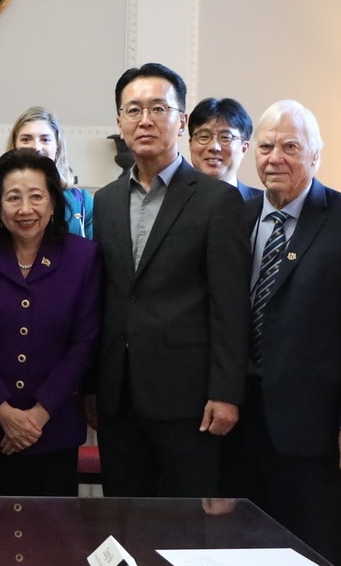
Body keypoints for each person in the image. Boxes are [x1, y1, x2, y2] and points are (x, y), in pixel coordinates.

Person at [232, 100, 341, 566]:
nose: (274, 157)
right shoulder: (238, 217)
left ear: (315, 155)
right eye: (265, 147)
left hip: (318, 435)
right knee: (243, 556)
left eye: (290, 146)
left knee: (311, 561)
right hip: (244, 427)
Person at [92, 64, 251, 497]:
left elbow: (229, 305)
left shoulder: (218, 200)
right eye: (134, 110)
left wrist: (225, 391)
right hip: (119, 397)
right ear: (120, 121)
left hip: (189, 400)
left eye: (158, 108)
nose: (145, 120)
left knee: (183, 529)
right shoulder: (104, 201)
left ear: (181, 121)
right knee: (122, 518)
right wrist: (94, 388)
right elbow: (105, 297)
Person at [0, 148, 101, 495]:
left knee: (50, 539)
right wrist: (4, 413)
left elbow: (84, 342)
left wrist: (38, 415)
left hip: (54, 429)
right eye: (13, 198)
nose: (25, 209)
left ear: (53, 203)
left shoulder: (83, 256)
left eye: (36, 197)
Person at [7, 106, 93, 238]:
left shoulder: (83, 201)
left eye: (45, 139)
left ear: (57, 147)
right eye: (26, 139)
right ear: (14, 146)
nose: (36, 147)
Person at [187, 96, 261, 200]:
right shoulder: (171, 200)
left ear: (244, 148)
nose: (214, 147)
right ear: (190, 144)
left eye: (225, 137)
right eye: (204, 136)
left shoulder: (261, 207)